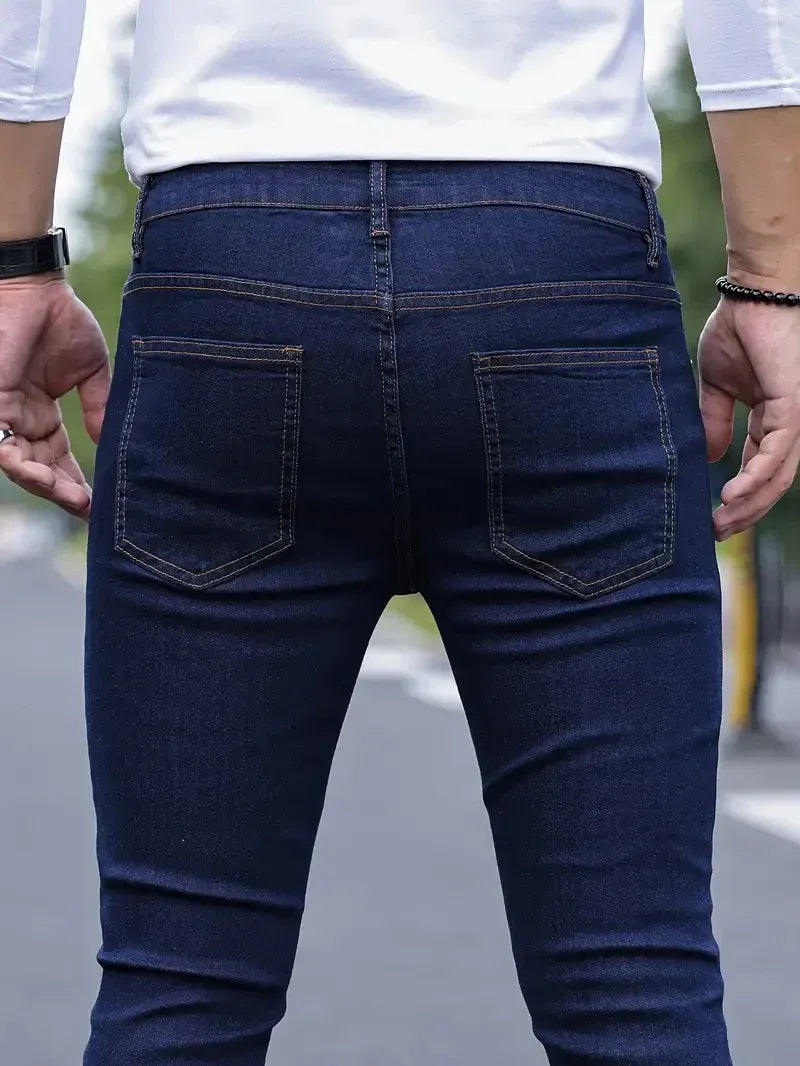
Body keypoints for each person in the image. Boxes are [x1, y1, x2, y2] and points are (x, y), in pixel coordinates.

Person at [0, 2, 798, 1063]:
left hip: (228, 261)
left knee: (177, 988)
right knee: (634, 985)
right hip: (558, 258)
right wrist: (771, 278)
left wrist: (16, 259)